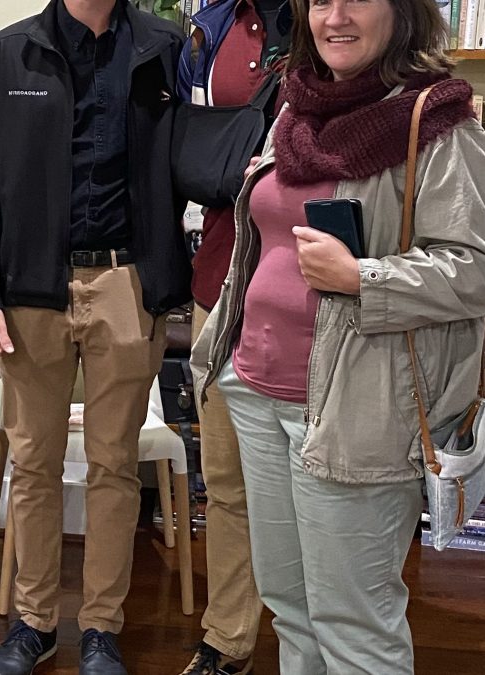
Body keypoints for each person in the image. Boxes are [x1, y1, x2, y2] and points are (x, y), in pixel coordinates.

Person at [191, 0, 485, 670]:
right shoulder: (297, 110)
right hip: (257, 390)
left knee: (354, 622)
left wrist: (365, 276)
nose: (337, 15)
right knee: (290, 607)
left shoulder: (434, 122)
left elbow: (477, 268)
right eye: (321, 0)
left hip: (354, 410)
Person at [0, 0, 191, 673]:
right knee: (33, 460)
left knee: (115, 462)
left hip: (125, 282)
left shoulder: (163, 46)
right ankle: (34, 622)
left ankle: (100, 627)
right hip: (31, 288)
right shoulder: (12, 51)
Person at [174, 0, 291, 671]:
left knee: (319, 477)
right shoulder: (209, 26)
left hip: (312, 283)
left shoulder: (338, 22)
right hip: (220, 277)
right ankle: (228, 638)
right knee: (224, 475)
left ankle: (325, 634)